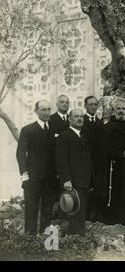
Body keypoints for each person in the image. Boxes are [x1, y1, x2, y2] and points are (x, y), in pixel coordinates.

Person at [16, 100, 55, 234]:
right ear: (36, 111)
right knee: (31, 210)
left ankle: (44, 238)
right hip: (32, 177)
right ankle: (29, 240)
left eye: (49, 109)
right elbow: (20, 153)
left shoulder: (53, 130)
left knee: (47, 209)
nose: (47, 112)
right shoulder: (28, 130)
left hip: (50, 178)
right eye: (43, 110)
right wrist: (24, 174)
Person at [55, 109, 93, 236]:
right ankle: (74, 239)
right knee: (74, 211)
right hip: (73, 181)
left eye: (82, 116)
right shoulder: (64, 136)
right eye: (76, 116)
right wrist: (66, 179)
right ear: (69, 119)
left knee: (81, 211)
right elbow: (61, 160)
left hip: (84, 181)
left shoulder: (82, 136)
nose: (80, 119)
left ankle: (79, 237)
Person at [81, 96, 103, 222]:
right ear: (85, 106)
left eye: (95, 104)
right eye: (90, 105)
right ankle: (84, 216)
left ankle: (94, 216)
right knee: (85, 188)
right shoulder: (81, 121)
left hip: (97, 162)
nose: (93, 107)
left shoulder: (100, 123)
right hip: (84, 162)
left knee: (96, 188)